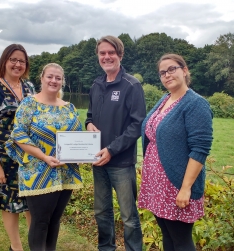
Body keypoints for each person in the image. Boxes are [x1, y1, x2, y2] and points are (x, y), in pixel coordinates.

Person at [5, 63, 84, 251]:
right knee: (40, 222)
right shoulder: (29, 104)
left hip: (65, 172)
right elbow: (19, 134)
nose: (54, 81)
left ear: (62, 82)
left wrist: (81, 155)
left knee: (55, 221)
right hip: (37, 171)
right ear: (41, 78)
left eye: (58, 78)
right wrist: (45, 157)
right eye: (50, 76)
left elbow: (77, 137)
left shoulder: (69, 107)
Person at [138, 53, 213, 251]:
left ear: (185, 70)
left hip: (177, 184)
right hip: (158, 183)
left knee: (180, 240)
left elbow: (200, 148)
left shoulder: (196, 104)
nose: (167, 75)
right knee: (167, 235)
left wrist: (186, 188)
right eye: (162, 72)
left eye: (172, 69)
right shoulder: (165, 100)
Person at [85, 35, 145, 251]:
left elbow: (137, 125)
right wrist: (89, 124)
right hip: (98, 161)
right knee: (101, 211)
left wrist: (112, 150)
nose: (107, 57)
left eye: (111, 52)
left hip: (121, 163)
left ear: (120, 55)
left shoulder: (132, 85)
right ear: (98, 56)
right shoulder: (96, 84)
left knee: (128, 216)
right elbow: (90, 116)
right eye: (102, 53)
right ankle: (106, 248)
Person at [0, 44, 35, 251]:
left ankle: (34, 245)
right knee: (10, 204)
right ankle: (16, 247)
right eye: (13, 59)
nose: (17, 64)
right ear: (4, 61)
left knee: (32, 203)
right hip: (3, 158)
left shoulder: (29, 88)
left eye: (22, 61)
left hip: (29, 156)